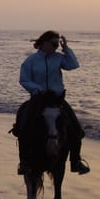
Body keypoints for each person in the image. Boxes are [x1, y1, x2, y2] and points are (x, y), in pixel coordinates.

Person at [14, 30, 90, 175]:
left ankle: (76, 161)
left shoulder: (59, 58)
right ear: (43, 43)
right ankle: (24, 162)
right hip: (38, 99)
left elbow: (73, 65)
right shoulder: (31, 61)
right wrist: (37, 89)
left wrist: (66, 48)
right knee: (23, 128)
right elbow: (24, 79)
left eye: (57, 44)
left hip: (57, 99)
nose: (55, 47)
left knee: (76, 129)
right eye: (53, 44)